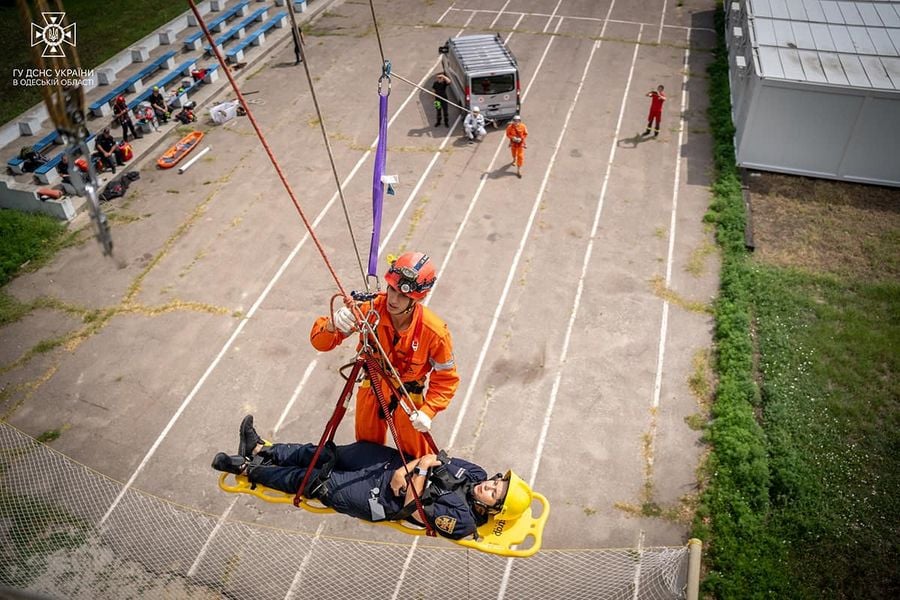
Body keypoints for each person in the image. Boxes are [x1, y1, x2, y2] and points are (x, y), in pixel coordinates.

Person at [211, 415, 534, 540]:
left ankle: (244, 468)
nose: (487, 485)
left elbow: (413, 508)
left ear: (492, 510)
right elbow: (433, 457)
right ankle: (261, 448)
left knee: (312, 482)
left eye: (493, 492)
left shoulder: (462, 522)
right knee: (325, 453)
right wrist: (410, 469)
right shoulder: (474, 473)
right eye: (495, 482)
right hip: (392, 467)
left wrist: (417, 471)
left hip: (381, 499)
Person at [310, 252, 459, 458]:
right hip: (372, 387)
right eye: (392, 289)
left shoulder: (433, 333)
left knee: (415, 458)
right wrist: (331, 325)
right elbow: (320, 343)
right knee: (366, 450)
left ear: (417, 298)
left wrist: (428, 411)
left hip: (408, 397)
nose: (393, 299)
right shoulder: (369, 309)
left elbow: (446, 379)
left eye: (403, 295)